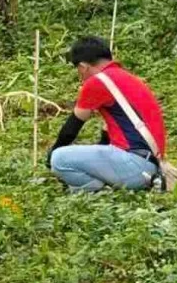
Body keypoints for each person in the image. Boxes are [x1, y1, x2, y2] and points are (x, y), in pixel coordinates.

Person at [48, 36, 165, 193]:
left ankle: (97, 191)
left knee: (59, 158)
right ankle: (107, 186)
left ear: (83, 67)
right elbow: (109, 132)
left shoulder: (97, 82)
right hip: (151, 163)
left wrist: (52, 154)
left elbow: (71, 128)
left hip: (135, 166)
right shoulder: (126, 78)